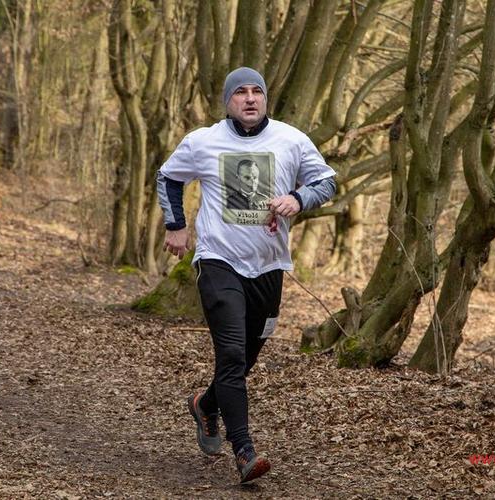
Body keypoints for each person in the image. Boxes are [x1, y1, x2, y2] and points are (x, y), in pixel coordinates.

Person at [156, 67, 336, 483]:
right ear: (228, 101)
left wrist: (298, 198)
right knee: (232, 355)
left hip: (269, 266)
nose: (250, 98)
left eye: (257, 91)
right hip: (219, 260)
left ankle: (205, 404)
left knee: (247, 357)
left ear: (266, 99)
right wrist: (175, 225)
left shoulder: (291, 139)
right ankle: (244, 452)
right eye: (241, 92)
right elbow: (168, 176)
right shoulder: (203, 141)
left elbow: (326, 181)